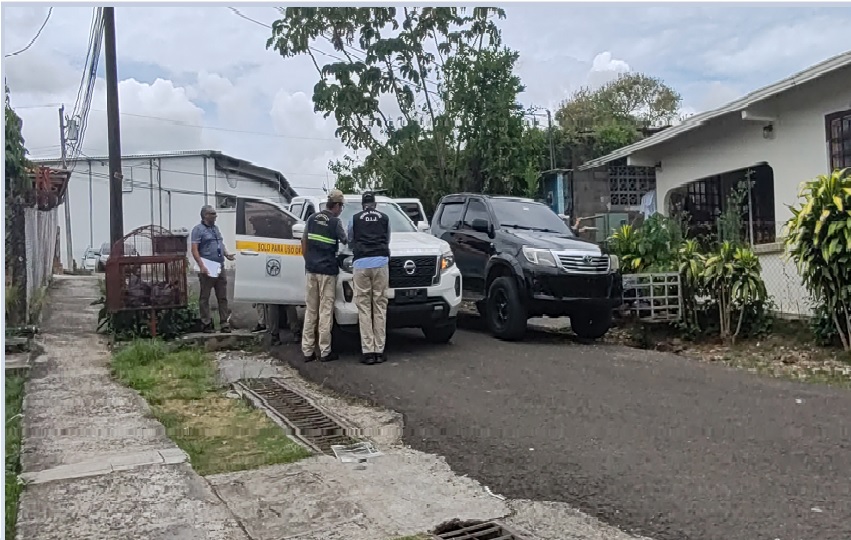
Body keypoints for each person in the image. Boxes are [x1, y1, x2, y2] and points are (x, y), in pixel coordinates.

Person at [301, 189, 347, 362]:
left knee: (311, 310)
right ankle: (325, 351)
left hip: (311, 270)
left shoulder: (311, 219)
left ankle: (307, 351)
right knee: (325, 311)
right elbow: (345, 241)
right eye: (341, 206)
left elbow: (304, 241)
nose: (341, 210)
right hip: (327, 271)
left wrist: (308, 261)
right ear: (336, 205)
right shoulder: (335, 222)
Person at [348, 192, 391, 365]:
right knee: (380, 305)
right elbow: (387, 240)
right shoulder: (385, 218)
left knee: (364, 306)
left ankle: (368, 351)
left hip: (361, 264)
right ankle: (380, 350)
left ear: (362, 205)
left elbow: (350, 239)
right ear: (375, 204)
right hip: (381, 263)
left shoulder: (355, 218)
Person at [191, 204, 235, 333]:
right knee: (205, 296)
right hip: (207, 265)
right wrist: (201, 266)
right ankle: (206, 323)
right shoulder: (198, 230)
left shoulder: (215, 228)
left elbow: (220, 243)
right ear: (206, 215)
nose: (215, 216)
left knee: (222, 296)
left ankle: (224, 323)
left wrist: (226, 254)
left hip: (219, 265)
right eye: (213, 214)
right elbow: (194, 249)